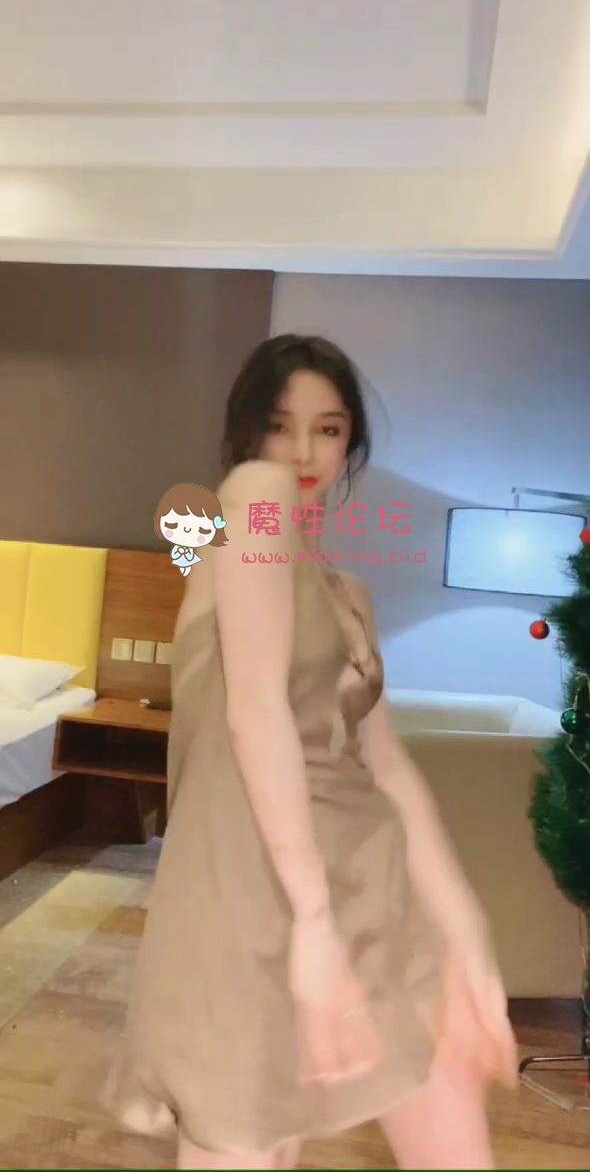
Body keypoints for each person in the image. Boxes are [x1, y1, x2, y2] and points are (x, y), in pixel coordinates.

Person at [104, 334, 518, 1170]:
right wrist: (315, 924)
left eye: (327, 430)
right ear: (245, 436)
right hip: (254, 893)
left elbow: (389, 770)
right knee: (250, 1129)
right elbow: (256, 712)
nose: (301, 452)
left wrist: (467, 930)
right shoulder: (248, 502)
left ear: (350, 443)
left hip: (369, 880)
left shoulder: (351, 595)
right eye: (279, 425)